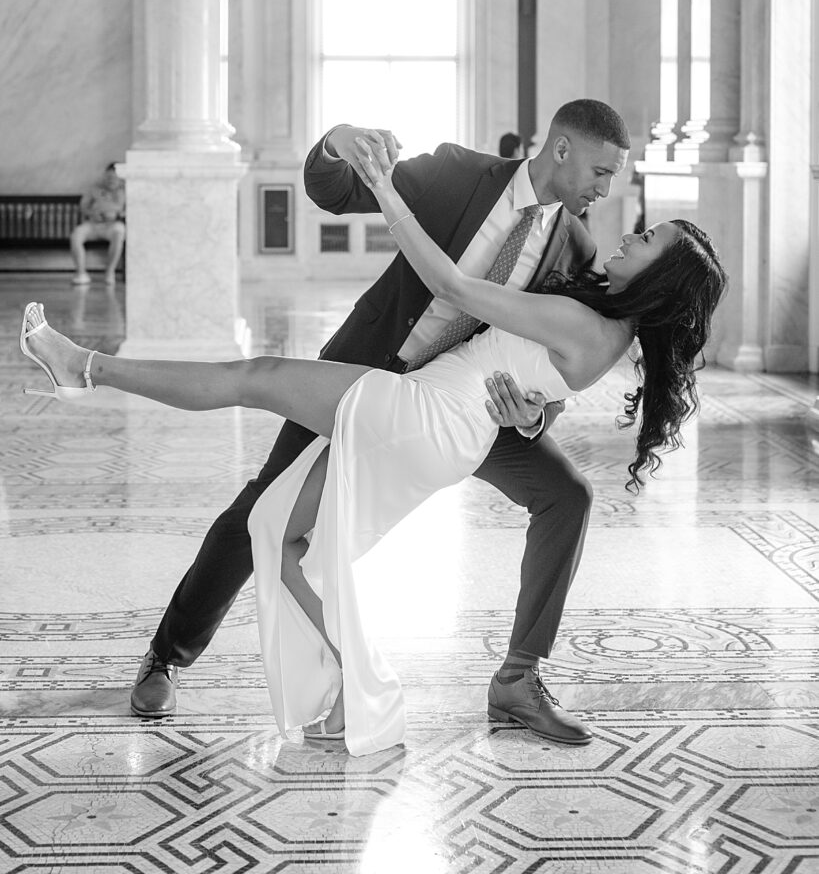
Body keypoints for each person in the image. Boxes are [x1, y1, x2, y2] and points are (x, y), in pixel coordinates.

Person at [20, 163, 726, 755]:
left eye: (645, 239)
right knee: (280, 531)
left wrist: (383, 188)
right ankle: (361, 698)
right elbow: (533, 376)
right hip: (439, 423)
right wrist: (533, 409)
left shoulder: (586, 321)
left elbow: (452, 289)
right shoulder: (604, 329)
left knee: (255, 378)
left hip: (420, 416)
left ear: (658, 278)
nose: (625, 231)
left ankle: (83, 367)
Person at [70, 163, 126, 285]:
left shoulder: (125, 190)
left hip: (113, 225)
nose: (111, 180)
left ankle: (110, 272)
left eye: (114, 177)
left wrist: (117, 215)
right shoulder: (95, 189)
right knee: (76, 235)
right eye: (108, 177)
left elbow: (132, 210)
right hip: (93, 224)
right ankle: (81, 273)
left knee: (119, 233)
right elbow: (83, 206)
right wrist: (92, 213)